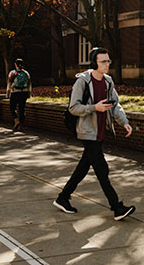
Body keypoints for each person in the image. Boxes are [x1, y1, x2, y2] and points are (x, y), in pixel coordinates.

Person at [53, 47, 135, 221]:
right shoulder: (83, 81)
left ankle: (63, 197)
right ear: (94, 63)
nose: (107, 64)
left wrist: (125, 122)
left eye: (108, 61)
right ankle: (117, 207)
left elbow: (115, 105)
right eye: (103, 61)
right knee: (101, 169)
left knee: (83, 168)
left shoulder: (108, 81)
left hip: (99, 131)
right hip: (87, 131)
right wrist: (93, 107)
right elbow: (73, 108)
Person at [6, 58, 31, 132]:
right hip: (24, 92)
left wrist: (8, 92)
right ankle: (21, 125)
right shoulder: (26, 73)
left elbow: (9, 83)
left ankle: (16, 121)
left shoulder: (13, 73)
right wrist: (29, 92)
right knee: (22, 109)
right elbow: (29, 84)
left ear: (15, 64)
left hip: (15, 92)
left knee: (12, 108)